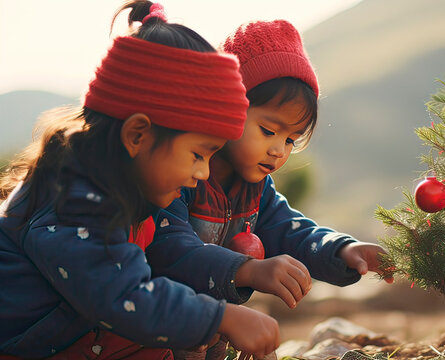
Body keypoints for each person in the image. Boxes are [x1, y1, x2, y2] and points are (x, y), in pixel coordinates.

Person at [0, 2, 280, 359]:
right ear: (137, 136)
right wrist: (220, 317)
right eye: (198, 154)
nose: (204, 173)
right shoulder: (73, 204)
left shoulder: (126, 194)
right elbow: (122, 297)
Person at [148, 19, 393, 316]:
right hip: (152, 327)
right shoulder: (180, 175)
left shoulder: (257, 189)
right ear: (227, 108)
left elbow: (292, 233)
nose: (279, 150)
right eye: (267, 131)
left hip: (209, 331)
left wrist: (343, 250)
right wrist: (247, 271)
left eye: (291, 139)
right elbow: (170, 248)